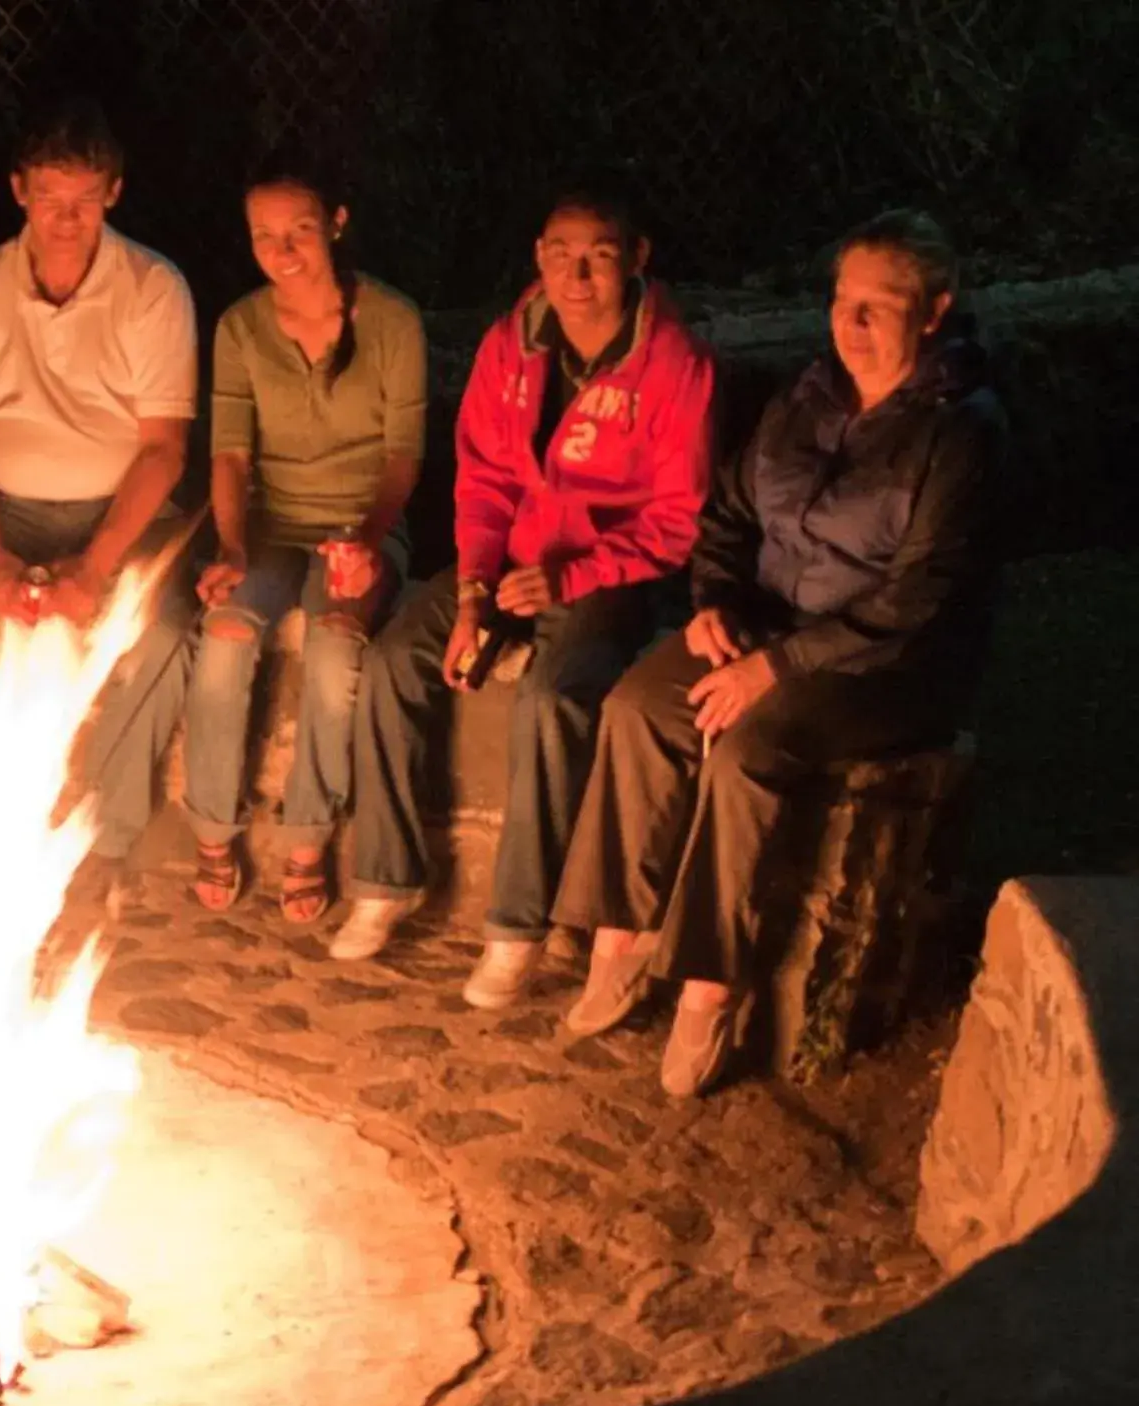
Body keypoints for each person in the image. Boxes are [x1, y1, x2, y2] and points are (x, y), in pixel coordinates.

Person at [554, 211, 1004, 1096]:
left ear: (935, 309)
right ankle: (622, 931)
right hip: (765, 623)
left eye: (880, 306)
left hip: (884, 666)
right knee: (640, 707)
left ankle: (709, 985)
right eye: (844, 302)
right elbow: (726, 516)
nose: (854, 325)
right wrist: (715, 603)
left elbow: (916, 599)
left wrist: (775, 667)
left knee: (750, 753)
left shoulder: (962, 432)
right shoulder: (807, 399)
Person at [325, 189, 714, 1009]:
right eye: (560, 252)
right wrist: (472, 590)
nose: (577, 275)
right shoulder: (515, 341)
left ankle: (518, 926)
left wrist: (573, 578)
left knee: (549, 696)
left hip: (610, 579)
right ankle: (385, 875)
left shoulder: (674, 363)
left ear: (636, 258)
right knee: (398, 656)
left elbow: (676, 522)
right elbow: (485, 478)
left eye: (600, 255)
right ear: (538, 252)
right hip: (507, 568)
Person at [0, 97, 197, 890]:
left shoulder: (154, 289)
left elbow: (164, 451)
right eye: (51, 198)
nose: (67, 218)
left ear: (113, 195)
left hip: (120, 513)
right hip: (6, 508)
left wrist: (93, 570)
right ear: (20, 191)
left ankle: (104, 840)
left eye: (85, 200)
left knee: (158, 638)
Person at [183, 153, 425, 919]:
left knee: (333, 647)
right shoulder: (241, 327)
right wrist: (230, 547)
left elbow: (402, 455)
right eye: (264, 236)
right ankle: (212, 826)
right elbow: (229, 452)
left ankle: (308, 836)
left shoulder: (392, 321)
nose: (282, 252)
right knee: (222, 634)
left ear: (337, 224)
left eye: (300, 232)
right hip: (273, 528)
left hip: (365, 525)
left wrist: (369, 541)